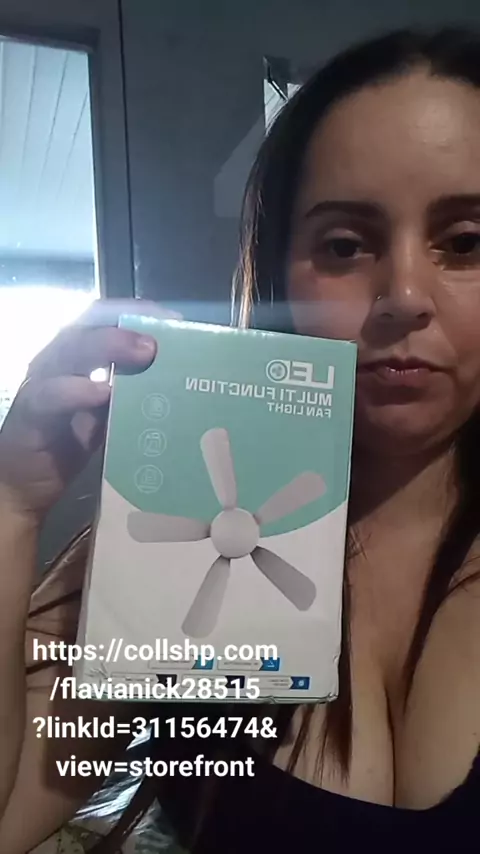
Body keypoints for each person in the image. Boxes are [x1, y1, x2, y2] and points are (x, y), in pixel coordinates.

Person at [2, 25, 480, 854]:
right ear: (277, 266)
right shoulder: (157, 560)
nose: (403, 295)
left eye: (467, 242)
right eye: (344, 245)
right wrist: (10, 508)